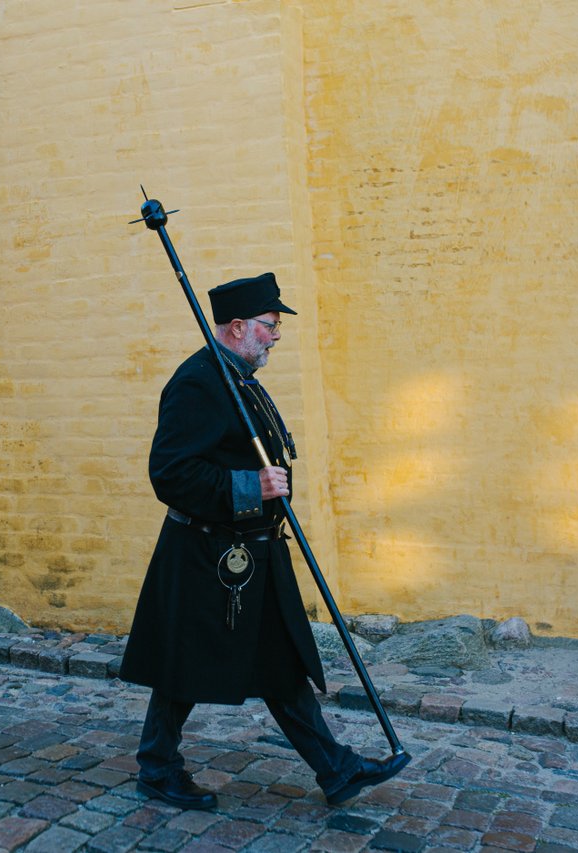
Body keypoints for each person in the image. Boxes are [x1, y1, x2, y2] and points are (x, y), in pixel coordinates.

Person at [120, 272, 409, 810]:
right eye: (270, 326)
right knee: (184, 666)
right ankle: (157, 769)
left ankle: (336, 770)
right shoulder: (199, 381)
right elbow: (170, 474)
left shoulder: (239, 377)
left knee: (279, 663)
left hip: (253, 552)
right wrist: (249, 486)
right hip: (209, 555)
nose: (276, 335)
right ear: (237, 328)